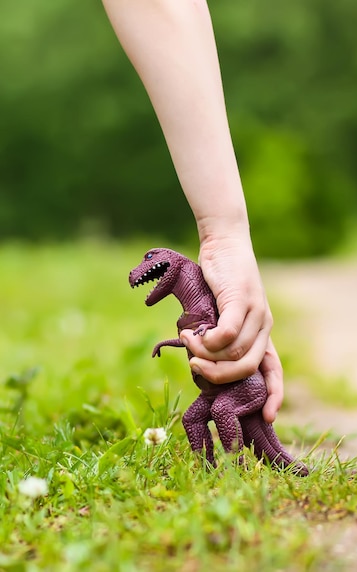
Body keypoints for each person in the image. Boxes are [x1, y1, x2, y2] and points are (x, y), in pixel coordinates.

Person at [101, 0, 283, 423]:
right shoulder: (187, 293)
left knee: (203, 416)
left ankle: (232, 468)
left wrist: (224, 233)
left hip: (233, 378)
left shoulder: (194, 294)